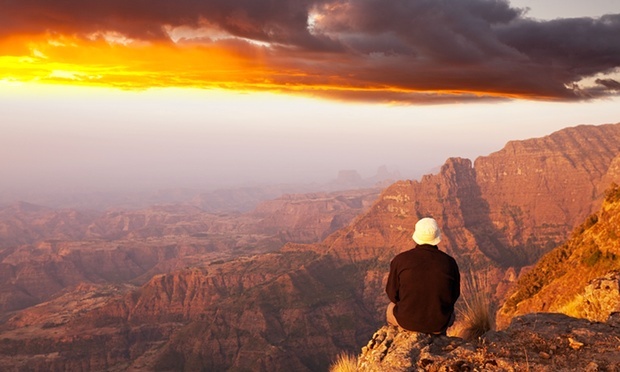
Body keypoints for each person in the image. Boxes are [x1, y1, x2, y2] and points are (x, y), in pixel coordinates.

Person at [385, 217, 460, 335]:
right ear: (437, 237)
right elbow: (454, 296)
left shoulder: (400, 260)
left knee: (390, 308)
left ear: (416, 236)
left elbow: (392, 295)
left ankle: (401, 337)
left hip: (407, 322)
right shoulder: (450, 262)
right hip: (438, 324)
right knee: (452, 314)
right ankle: (438, 338)